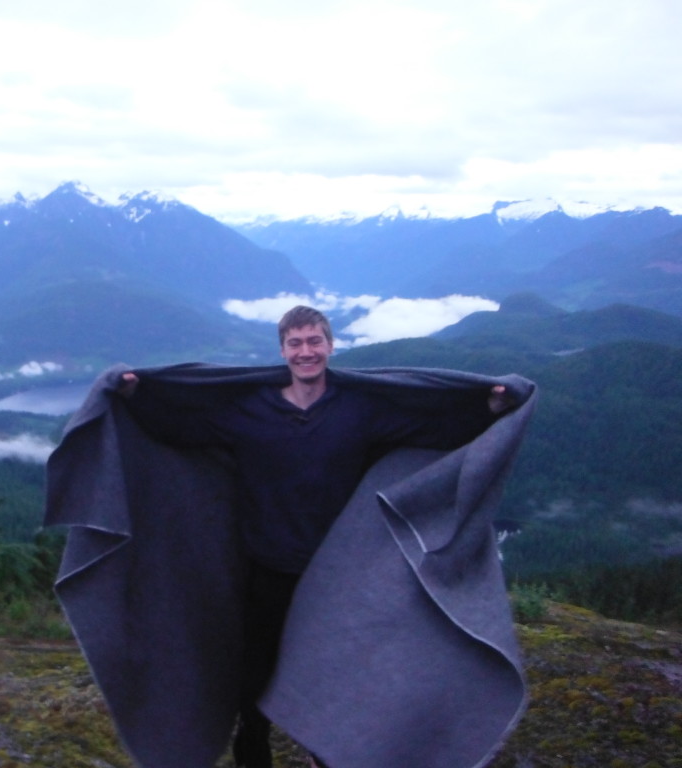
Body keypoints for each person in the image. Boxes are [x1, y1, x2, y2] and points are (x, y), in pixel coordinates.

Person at [113, 305, 517, 768]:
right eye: (295, 343)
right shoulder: (250, 410)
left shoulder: (358, 409)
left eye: (314, 341)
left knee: (333, 673)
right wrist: (136, 396)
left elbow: (429, 428)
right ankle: (253, 750)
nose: (306, 352)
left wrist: (488, 409)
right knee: (255, 674)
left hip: (334, 574)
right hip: (265, 567)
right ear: (282, 350)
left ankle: (326, 756)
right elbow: (183, 429)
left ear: (330, 345)